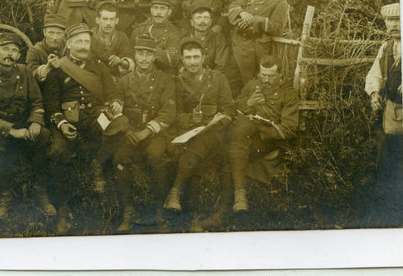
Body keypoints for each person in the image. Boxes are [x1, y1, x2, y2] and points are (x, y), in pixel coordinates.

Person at [42, 23, 126, 234]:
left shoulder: (99, 66)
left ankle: (96, 167)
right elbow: (50, 103)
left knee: (120, 126)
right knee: (58, 151)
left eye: (87, 41)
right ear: (68, 44)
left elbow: (113, 92)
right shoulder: (58, 68)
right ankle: (62, 206)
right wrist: (61, 123)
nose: (83, 46)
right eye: (78, 41)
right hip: (68, 121)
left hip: (95, 118)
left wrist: (116, 102)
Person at [0, 32, 54, 219]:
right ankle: (4, 196)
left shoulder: (24, 72)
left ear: (19, 55)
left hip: (23, 124)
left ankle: (40, 191)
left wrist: (35, 121)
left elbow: (36, 102)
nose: (10, 54)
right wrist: (11, 131)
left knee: (45, 136)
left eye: (15, 50)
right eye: (5, 49)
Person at [163, 37, 234, 229]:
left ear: (204, 57)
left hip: (216, 132)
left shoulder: (218, 78)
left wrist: (221, 119)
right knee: (195, 145)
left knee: (200, 142)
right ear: (182, 60)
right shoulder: (177, 82)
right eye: (188, 58)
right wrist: (190, 119)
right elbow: (174, 113)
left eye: (196, 57)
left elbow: (229, 108)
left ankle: (175, 193)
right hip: (189, 132)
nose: (192, 62)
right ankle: (191, 215)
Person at [112, 35, 176, 232]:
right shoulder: (123, 82)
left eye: (148, 54)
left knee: (156, 157)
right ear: (135, 55)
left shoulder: (165, 80)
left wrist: (147, 131)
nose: (144, 59)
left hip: (154, 132)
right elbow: (115, 108)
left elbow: (169, 111)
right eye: (140, 54)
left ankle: (158, 211)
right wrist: (126, 129)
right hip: (130, 131)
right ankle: (128, 211)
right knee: (119, 158)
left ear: (154, 56)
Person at [227, 56, 299, 213]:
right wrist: (248, 103)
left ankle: (238, 198)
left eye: (271, 76)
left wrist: (261, 130)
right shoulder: (252, 85)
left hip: (267, 140)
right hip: (245, 136)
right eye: (263, 75)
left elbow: (289, 128)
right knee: (235, 146)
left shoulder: (289, 94)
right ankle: (238, 198)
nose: (265, 80)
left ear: (280, 74)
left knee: (234, 149)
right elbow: (234, 105)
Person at [365, 2, 403, 226]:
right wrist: (374, 94)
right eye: (390, 21)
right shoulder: (386, 47)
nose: (393, 25)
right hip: (391, 110)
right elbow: (375, 74)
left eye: (398, 20)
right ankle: (386, 208)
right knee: (388, 154)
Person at [228, 0, 290, 87]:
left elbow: (277, 28)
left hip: (258, 51)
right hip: (239, 46)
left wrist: (256, 19)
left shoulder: (280, 3)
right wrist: (242, 13)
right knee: (233, 81)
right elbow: (233, 6)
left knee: (255, 83)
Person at [131, 0, 182, 74]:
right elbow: (132, 55)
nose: (158, 13)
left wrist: (149, 44)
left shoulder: (173, 32)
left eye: (162, 9)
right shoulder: (139, 30)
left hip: (163, 74)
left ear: (169, 12)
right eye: (155, 8)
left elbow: (172, 61)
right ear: (151, 10)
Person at [91, 0, 134, 78]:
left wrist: (120, 61)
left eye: (112, 19)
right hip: (93, 77)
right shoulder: (89, 37)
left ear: (116, 21)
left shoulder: (121, 37)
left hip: (115, 78)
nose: (108, 23)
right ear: (97, 20)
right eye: (105, 19)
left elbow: (130, 62)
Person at [26, 13, 66, 86]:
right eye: (51, 33)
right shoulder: (35, 51)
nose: (55, 38)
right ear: (44, 32)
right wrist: (46, 68)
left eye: (59, 33)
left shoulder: (68, 50)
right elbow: (30, 76)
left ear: (64, 34)